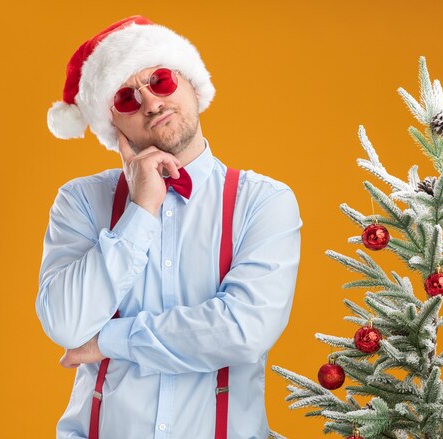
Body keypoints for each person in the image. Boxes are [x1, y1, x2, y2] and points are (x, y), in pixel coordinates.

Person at [36, 15, 302, 439]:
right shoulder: (81, 201)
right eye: (125, 98)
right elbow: (66, 324)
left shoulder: (263, 201)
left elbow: (242, 331)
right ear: (112, 127)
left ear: (192, 84)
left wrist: (109, 341)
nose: (151, 103)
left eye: (160, 80)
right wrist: (141, 209)